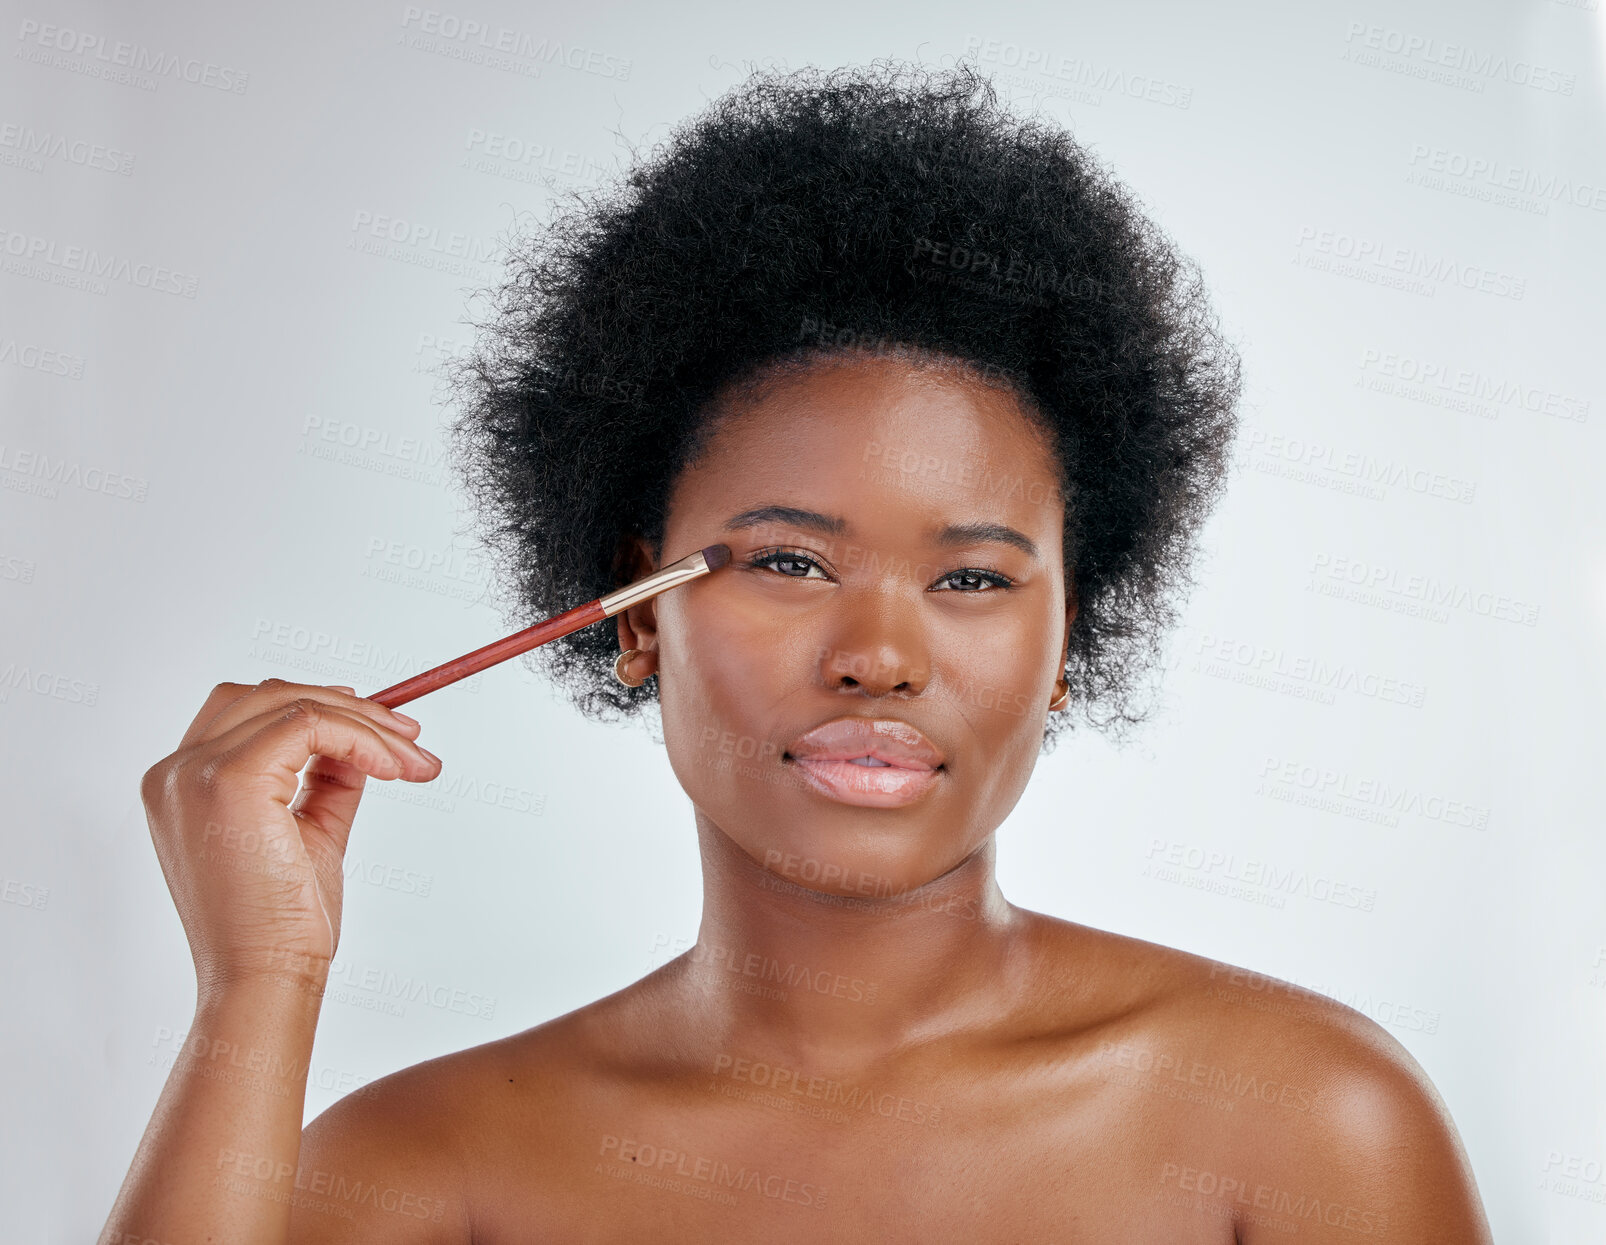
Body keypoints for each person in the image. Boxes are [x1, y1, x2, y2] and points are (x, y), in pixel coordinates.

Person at [102, 60, 1493, 1242]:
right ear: (637, 615)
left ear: (1072, 637)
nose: (878, 654)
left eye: (969, 575)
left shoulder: (1309, 1123)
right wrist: (257, 982)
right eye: (786, 561)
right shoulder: (422, 1169)